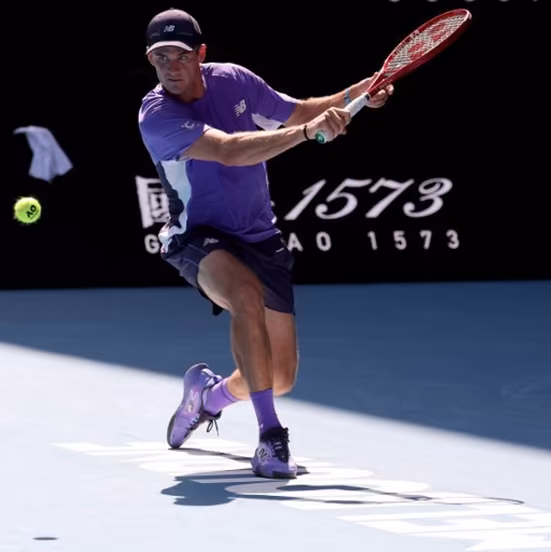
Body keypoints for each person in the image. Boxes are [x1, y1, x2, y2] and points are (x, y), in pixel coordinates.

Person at [137, 8, 393, 479]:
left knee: (280, 378)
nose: (171, 66)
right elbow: (230, 151)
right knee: (245, 297)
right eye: (161, 57)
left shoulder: (235, 80)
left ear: (202, 55)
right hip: (197, 234)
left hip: (259, 233)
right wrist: (306, 135)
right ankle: (271, 441)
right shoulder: (157, 114)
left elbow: (300, 111)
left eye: (181, 55)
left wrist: (361, 94)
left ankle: (207, 397)